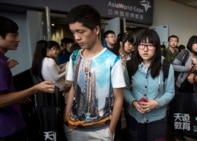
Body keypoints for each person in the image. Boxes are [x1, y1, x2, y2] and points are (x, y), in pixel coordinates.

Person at [64, 4, 125, 141]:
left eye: (81, 31)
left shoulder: (113, 60)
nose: (77, 37)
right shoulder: (74, 56)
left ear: (96, 29)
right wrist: (66, 116)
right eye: (73, 32)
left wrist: (110, 130)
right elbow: (73, 88)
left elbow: (119, 98)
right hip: (73, 127)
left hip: (101, 130)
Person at [0, 15, 55, 141]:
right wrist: (34, 89)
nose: (18, 39)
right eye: (13, 35)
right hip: (7, 128)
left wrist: (16, 97)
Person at [123, 29, 175, 141]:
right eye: (141, 45)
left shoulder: (166, 67)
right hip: (135, 117)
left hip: (158, 118)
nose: (145, 49)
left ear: (156, 47)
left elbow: (170, 92)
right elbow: (125, 90)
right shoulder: (130, 65)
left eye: (150, 45)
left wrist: (157, 103)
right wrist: (133, 102)